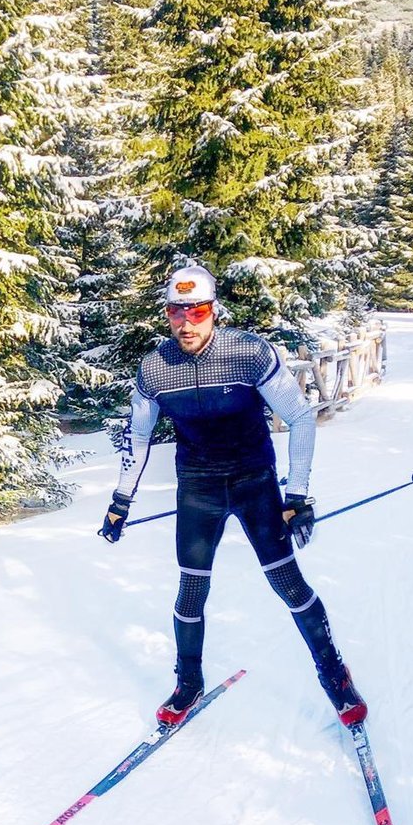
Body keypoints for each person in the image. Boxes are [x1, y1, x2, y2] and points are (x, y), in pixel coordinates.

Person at [98, 264, 366, 728]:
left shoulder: (248, 353)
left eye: (197, 310)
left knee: (289, 585)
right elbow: (138, 437)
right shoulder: (154, 367)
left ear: (213, 310)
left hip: (253, 482)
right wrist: (120, 502)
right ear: (167, 314)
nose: (187, 322)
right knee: (191, 590)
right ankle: (189, 682)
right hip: (198, 487)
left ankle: (334, 676)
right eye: (176, 312)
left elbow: (300, 417)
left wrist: (297, 496)